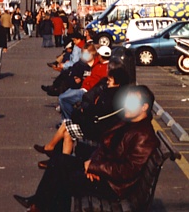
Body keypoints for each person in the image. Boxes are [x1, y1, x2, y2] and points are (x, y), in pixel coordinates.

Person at [14, 85, 159, 212]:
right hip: (105, 173)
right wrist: (93, 164)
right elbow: (105, 146)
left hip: (114, 186)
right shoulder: (129, 122)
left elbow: (127, 170)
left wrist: (95, 167)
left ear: (144, 107)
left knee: (63, 178)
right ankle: (37, 204)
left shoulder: (144, 136)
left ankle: (38, 206)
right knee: (59, 160)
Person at [58, 44, 108, 119]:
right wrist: (76, 80)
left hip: (88, 91)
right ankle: (66, 120)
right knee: (64, 97)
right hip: (79, 87)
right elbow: (71, 77)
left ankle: (68, 120)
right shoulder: (80, 65)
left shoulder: (99, 64)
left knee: (63, 98)